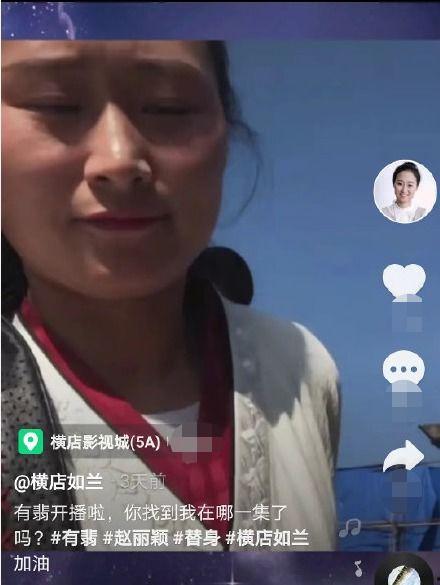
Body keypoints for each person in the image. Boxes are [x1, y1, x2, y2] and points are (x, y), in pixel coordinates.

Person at [1, 40, 340, 551]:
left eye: (169, 107)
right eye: (57, 104)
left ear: (226, 134)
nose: (120, 159)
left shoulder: (303, 369)